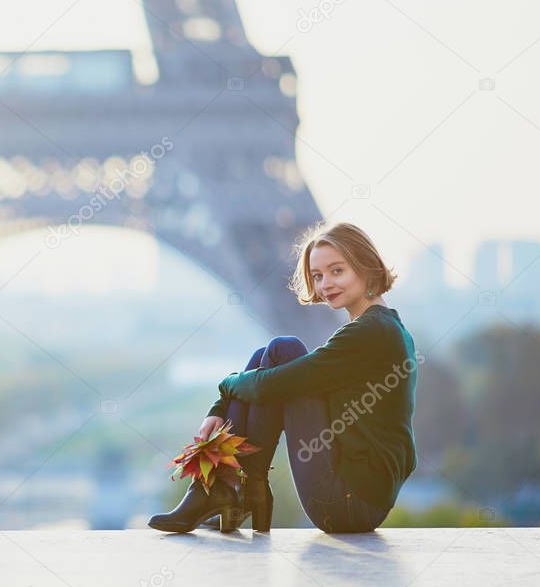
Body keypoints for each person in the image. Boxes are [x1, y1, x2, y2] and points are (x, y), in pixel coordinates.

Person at [148, 221, 418, 533]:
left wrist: (225, 387)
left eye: (337, 271)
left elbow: (272, 386)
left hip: (347, 503)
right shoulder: (382, 327)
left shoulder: (371, 333)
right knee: (273, 354)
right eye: (317, 276)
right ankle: (240, 490)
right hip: (355, 499)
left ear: (366, 267)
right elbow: (276, 380)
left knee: (282, 351)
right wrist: (220, 408)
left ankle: (231, 490)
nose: (325, 283)